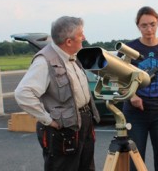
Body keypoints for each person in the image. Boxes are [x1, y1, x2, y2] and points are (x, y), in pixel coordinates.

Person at [14, 16, 100, 171]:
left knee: (86, 167)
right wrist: (47, 120)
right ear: (68, 41)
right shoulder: (44, 61)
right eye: (81, 35)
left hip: (83, 123)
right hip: (62, 130)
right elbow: (23, 93)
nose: (84, 38)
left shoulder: (73, 56)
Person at [122, 6, 158, 171]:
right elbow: (120, 80)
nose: (149, 29)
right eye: (144, 25)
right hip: (135, 114)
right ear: (138, 26)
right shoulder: (129, 48)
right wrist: (131, 95)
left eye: (153, 24)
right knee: (135, 162)